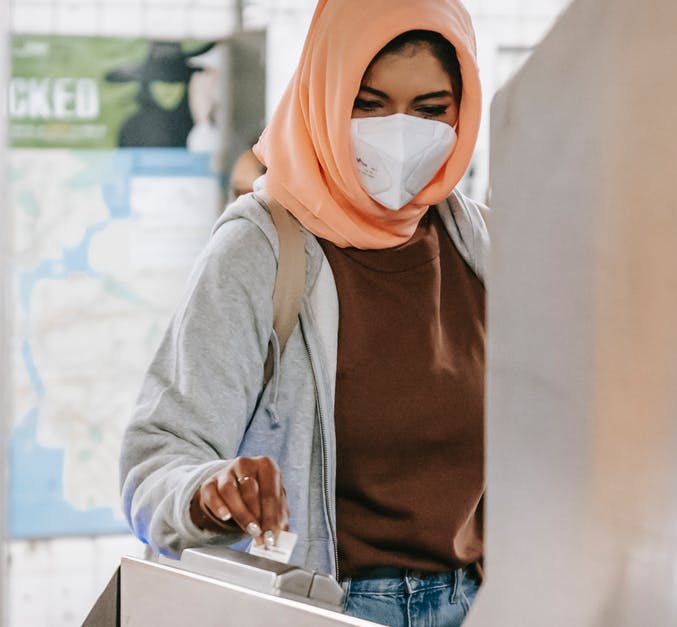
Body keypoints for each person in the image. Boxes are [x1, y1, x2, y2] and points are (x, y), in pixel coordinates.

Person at [119, 1, 487, 625]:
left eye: (430, 110)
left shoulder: (478, 247)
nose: (399, 134)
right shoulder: (258, 251)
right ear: (322, 95)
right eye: (367, 104)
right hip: (325, 611)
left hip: (476, 605)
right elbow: (157, 455)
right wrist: (208, 493)